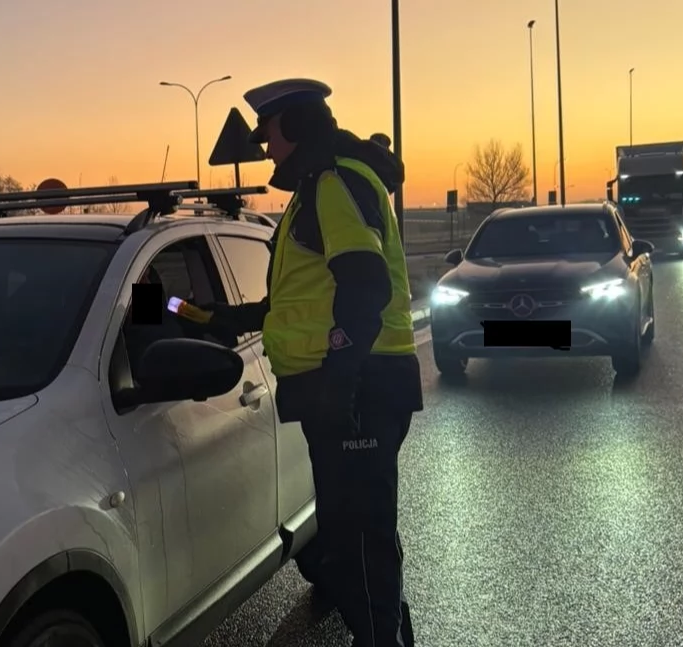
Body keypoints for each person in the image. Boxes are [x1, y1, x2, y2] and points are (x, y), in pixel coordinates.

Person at [177, 78, 422, 647]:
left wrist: (342, 376)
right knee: (355, 535)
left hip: (359, 386)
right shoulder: (321, 184)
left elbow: (364, 284)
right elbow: (300, 298)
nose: (263, 142)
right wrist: (208, 316)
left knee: (357, 539)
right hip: (354, 383)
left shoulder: (331, 182)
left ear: (293, 125)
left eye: (267, 129)